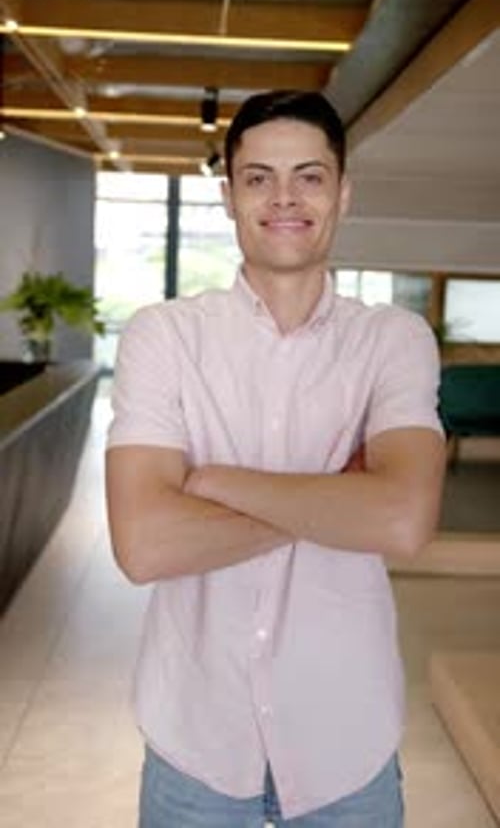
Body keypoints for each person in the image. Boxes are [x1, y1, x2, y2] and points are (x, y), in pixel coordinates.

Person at [106, 90, 445, 828]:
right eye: (259, 178)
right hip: (195, 738)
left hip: (345, 741)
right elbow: (145, 544)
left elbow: (402, 521)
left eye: (309, 176)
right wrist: (338, 499)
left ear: (342, 192)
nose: (284, 197)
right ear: (229, 196)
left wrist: (212, 484)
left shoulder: (393, 341)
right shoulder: (164, 336)